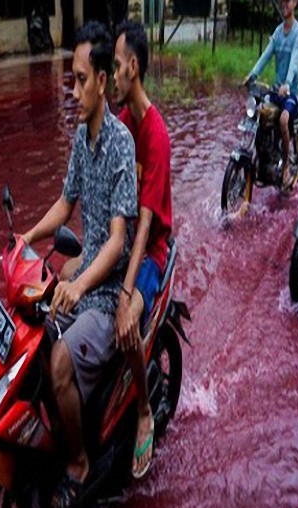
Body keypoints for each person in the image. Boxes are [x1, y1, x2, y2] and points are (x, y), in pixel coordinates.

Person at [21, 20, 138, 508]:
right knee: (33, 330)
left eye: (81, 79)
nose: (74, 91)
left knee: (60, 361)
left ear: (106, 81)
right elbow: (65, 204)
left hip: (108, 291)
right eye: (71, 80)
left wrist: (80, 282)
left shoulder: (120, 144)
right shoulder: (79, 140)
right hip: (83, 274)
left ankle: (80, 463)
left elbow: (116, 240)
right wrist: (25, 239)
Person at [112, 19, 172, 479]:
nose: (113, 75)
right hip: (121, 243)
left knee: (128, 321)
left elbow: (147, 222)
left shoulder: (155, 134)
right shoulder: (122, 124)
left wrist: (126, 291)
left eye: (116, 66)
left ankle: (145, 409)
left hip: (149, 253)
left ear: (133, 67)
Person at [244, 0, 298, 191]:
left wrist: (287, 83)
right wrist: (252, 74)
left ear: (295, 3)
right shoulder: (278, 32)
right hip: (276, 90)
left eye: (289, 1)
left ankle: (285, 166)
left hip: (290, 92)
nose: (284, 4)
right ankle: (264, 159)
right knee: (259, 112)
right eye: (282, 1)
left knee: (284, 120)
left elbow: (294, 61)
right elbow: (266, 55)